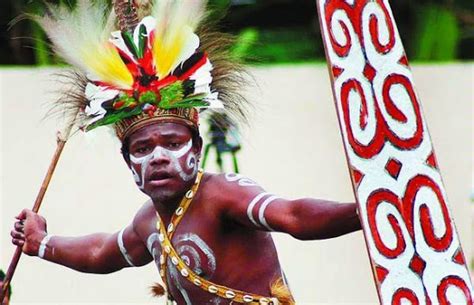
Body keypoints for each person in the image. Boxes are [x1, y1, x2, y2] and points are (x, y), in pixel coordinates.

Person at [10, 1, 361, 304]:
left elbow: (294, 215)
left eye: (173, 144)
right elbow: (103, 252)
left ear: (197, 148)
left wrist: (366, 213)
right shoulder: (148, 222)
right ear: (128, 163)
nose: (159, 156)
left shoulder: (223, 194)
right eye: (143, 148)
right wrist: (42, 243)